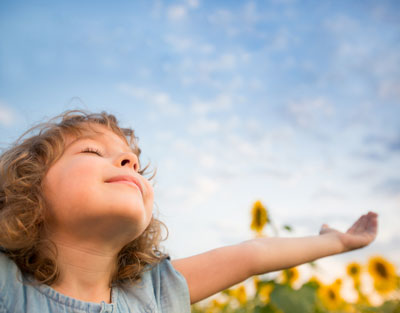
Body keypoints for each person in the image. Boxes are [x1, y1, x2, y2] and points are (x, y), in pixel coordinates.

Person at [0, 110, 378, 313]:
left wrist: (337, 243)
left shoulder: (154, 292)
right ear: (27, 187)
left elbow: (252, 255)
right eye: (92, 152)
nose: (128, 162)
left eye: (131, 163)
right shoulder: (10, 289)